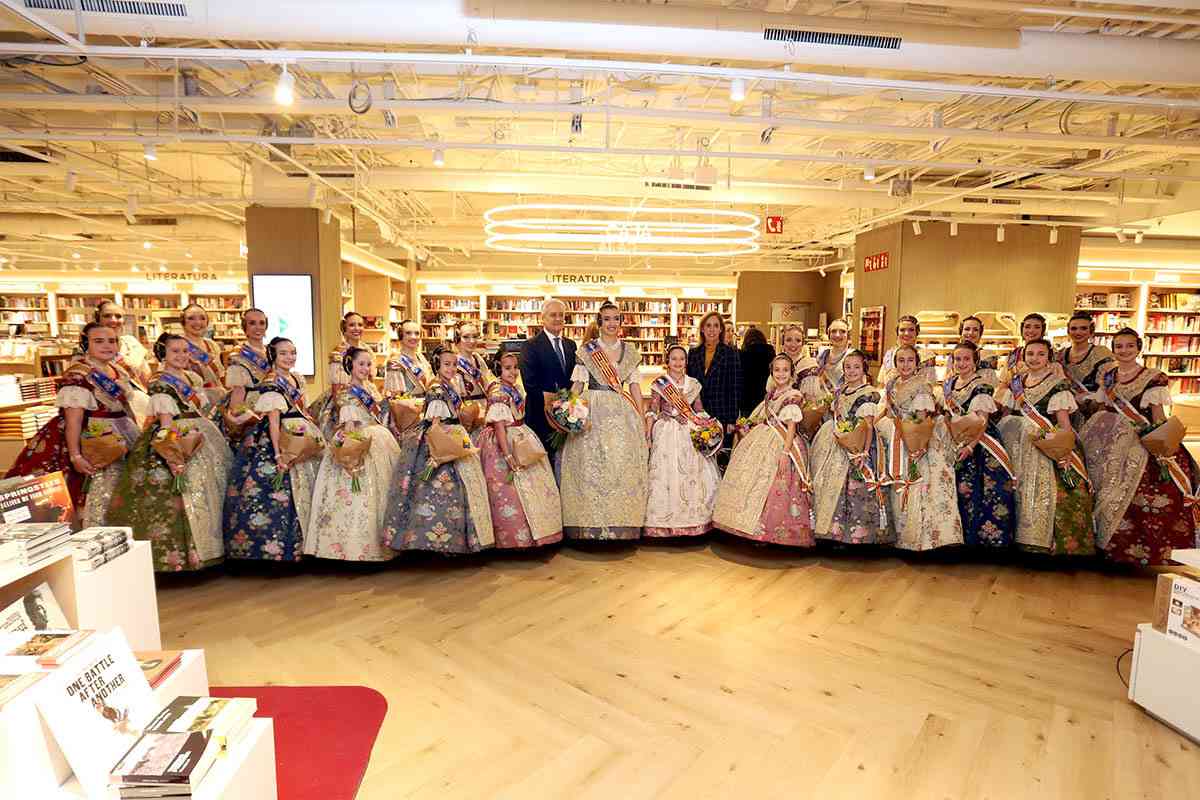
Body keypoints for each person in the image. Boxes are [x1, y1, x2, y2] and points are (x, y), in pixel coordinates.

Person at [108, 334, 232, 571]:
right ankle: (192, 553)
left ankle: (215, 548)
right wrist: (174, 457)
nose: (182, 356)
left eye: (185, 351)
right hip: (178, 437)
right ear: (162, 353)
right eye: (175, 351)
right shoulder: (161, 384)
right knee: (188, 495)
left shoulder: (191, 377)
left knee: (212, 491)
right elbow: (165, 426)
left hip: (202, 434)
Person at [1081, 328, 1199, 566]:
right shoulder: (1108, 376)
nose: (1124, 351)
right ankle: (1099, 545)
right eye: (1119, 346)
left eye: (1129, 346)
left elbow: (1158, 416)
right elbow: (1102, 406)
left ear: (1139, 348)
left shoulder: (1153, 378)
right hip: (1106, 439)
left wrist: (1162, 446)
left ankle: (1130, 550)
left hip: (1138, 443)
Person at [5, 323, 141, 527]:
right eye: (99, 341)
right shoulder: (79, 374)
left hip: (124, 433)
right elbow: (74, 420)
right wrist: (76, 455)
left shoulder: (118, 371)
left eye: (112, 341)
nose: (107, 346)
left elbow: (125, 407)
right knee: (97, 489)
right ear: (86, 344)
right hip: (92, 437)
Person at [385, 345, 495, 554]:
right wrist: (439, 453)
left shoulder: (449, 385)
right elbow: (435, 425)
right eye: (447, 364)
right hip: (440, 439)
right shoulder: (436, 389)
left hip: (455, 434)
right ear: (437, 365)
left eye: (454, 365)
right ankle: (439, 542)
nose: (451, 368)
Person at [223, 337, 323, 562]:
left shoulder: (296, 378)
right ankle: (279, 549)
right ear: (273, 356)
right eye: (283, 353)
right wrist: (278, 454)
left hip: (301, 433)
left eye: (293, 352)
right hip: (278, 440)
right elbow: (274, 422)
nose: (289, 357)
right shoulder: (271, 384)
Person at [996, 339, 1095, 557]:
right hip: (1017, 447)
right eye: (1030, 354)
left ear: (1049, 358)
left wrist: (1064, 451)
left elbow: (1064, 425)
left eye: (1040, 354)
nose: (1034, 358)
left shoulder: (1057, 385)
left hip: (1045, 447)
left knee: (1043, 492)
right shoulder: (1016, 383)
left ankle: (1040, 541)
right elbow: (1007, 416)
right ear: (1024, 357)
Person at [559, 302, 649, 540]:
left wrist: (641, 418)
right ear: (599, 322)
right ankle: (590, 524)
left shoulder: (630, 352)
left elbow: (635, 388)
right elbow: (577, 386)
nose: (612, 323)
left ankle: (620, 523)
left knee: (620, 465)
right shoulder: (587, 350)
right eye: (607, 319)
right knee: (590, 464)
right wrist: (569, 411)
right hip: (593, 409)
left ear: (621, 322)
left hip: (622, 410)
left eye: (616, 319)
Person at [305, 347, 400, 562]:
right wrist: (352, 451)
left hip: (378, 439)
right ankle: (353, 547)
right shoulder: (346, 393)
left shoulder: (371, 389)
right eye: (361, 364)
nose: (365, 369)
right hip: (359, 441)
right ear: (350, 365)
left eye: (368, 364)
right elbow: (349, 427)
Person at [712, 354, 815, 547]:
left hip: (783, 444)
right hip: (764, 437)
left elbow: (791, 428)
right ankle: (747, 525)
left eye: (785, 370)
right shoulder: (771, 394)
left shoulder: (793, 396)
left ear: (792, 373)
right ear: (771, 373)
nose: (781, 374)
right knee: (753, 480)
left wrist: (785, 453)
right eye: (777, 370)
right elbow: (765, 417)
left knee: (776, 484)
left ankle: (771, 531)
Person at [875, 344, 964, 551]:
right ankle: (901, 537)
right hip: (895, 436)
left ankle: (922, 540)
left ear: (917, 364)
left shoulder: (922, 386)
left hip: (917, 439)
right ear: (895, 363)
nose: (905, 365)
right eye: (901, 360)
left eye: (910, 360)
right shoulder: (892, 383)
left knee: (920, 486)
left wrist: (916, 444)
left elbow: (922, 420)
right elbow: (887, 410)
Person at [476, 351, 563, 548]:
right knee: (508, 489)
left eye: (516, 368)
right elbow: (499, 427)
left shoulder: (514, 388)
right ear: (498, 369)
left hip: (520, 433)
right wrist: (507, 455)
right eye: (507, 368)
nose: (513, 372)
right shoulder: (498, 393)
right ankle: (515, 537)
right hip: (504, 441)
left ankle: (540, 531)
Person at [810, 350, 893, 545]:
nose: (852, 371)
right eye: (848, 367)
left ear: (864, 369)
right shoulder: (841, 390)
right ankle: (831, 531)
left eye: (856, 367)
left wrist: (864, 452)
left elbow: (868, 426)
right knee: (827, 483)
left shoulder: (868, 393)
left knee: (855, 487)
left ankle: (856, 534)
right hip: (835, 440)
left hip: (859, 444)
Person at [942, 341, 1016, 548]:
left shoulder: (981, 386)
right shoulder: (949, 384)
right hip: (955, 439)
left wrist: (970, 446)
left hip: (980, 444)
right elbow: (948, 415)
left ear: (975, 362)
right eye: (957, 359)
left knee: (981, 490)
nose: (961, 363)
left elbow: (982, 422)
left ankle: (982, 541)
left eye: (966, 359)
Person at [644, 345, 721, 537]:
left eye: (681, 359)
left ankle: (694, 520)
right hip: (667, 431)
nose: (678, 362)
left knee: (693, 474)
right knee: (666, 474)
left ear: (686, 362)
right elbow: (653, 409)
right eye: (674, 359)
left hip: (689, 430)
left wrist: (706, 422)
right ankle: (664, 523)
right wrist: (650, 432)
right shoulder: (660, 383)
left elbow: (699, 409)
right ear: (667, 361)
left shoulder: (693, 383)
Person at [520, 299, 578, 455]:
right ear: (543, 318)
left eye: (561, 315)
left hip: (566, 417)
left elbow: (574, 380)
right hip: (540, 417)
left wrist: (567, 408)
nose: (558, 319)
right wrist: (553, 408)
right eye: (553, 315)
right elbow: (530, 384)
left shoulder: (571, 345)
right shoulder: (530, 346)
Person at [310, 311, 365, 439]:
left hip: (365, 396)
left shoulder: (366, 350)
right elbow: (337, 389)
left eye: (360, 325)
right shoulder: (338, 354)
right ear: (344, 329)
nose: (357, 328)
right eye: (352, 325)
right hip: (345, 399)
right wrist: (342, 411)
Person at [686, 311, 742, 434]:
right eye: (708, 325)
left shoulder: (731, 353)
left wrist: (731, 420)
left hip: (722, 414)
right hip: (697, 415)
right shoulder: (693, 353)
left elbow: (735, 388)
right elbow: (689, 384)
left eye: (716, 326)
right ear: (702, 329)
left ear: (721, 329)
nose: (712, 330)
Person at [222, 308, 271, 447]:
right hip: (253, 410)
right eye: (252, 323)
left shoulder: (272, 352)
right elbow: (237, 402)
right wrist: (250, 421)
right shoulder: (238, 356)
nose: (258, 327)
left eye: (262, 323)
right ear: (245, 327)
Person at [383, 319, 433, 447]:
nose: (413, 337)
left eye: (417, 333)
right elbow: (395, 399)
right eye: (408, 333)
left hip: (425, 412)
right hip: (406, 415)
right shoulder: (396, 362)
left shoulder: (421, 357)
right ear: (401, 336)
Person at [1057, 311, 1115, 421]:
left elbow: (1109, 386)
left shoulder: (1102, 353)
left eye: (1083, 328)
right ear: (1068, 331)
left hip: (1093, 412)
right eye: (1074, 328)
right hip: (1065, 411)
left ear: (1091, 331)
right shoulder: (1059, 355)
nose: (1078, 332)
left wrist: (1090, 397)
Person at [452, 320, 496, 438]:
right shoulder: (453, 363)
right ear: (457, 339)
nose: (471, 341)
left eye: (475, 336)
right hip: (467, 413)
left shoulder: (478, 358)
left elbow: (488, 382)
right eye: (466, 337)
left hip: (485, 411)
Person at [179, 303, 226, 406]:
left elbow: (220, 375)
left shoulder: (212, 345)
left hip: (217, 400)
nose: (198, 322)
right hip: (193, 402)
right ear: (183, 322)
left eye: (202, 318)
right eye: (191, 318)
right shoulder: (177, 346)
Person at [94, 301, 151, 387]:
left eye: (118, 316)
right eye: (107, 316)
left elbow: (145, 376)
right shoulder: (90, 348)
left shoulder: (131, 343)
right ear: (98, 319)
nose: (113, 320)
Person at [879, 315, 937, 385]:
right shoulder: (889, 355)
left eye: (911, 330)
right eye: (902, 330)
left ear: (917, 332)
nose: (906, 333)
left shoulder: (926, 356)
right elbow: (882, 384)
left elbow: (930, 385)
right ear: (897, 333)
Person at [998, 312, 1050, 386]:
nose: (1031, 330)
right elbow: (1003, 382)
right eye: (1027, 327)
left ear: (1043, 330)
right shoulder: (1013, 355)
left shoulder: (1051, 354)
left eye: (1037, 327)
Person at [738, 327, 775, 417]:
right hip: (766, 398)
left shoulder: (742, 354)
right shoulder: (770, 352)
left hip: (747, 400)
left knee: (747, 424)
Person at [958, 315, 999, 386]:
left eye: (975, 330)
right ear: (961, 332)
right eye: (967, 329)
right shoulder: (953, 356)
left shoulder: (988, 355)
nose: (970, 333)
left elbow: (991, 383)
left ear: (980, 334)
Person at [816, 318, 851, 392]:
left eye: (842, 331)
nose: (837, 335)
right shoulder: (822, 356)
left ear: (848, 335)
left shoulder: (853, 357)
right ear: (829, 334)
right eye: (833, 331)